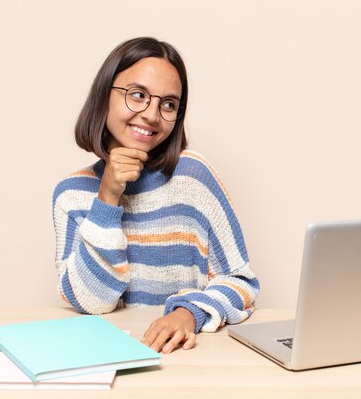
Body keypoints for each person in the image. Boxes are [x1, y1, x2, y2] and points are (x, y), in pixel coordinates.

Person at [52, 37, 260, 354]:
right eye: (138, 95)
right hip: (111, 357)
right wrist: (107, 197)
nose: (152, 115)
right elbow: (92, 303)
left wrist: (188, 313)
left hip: (188, 357)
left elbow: (242, 282)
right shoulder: (71, 194)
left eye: (168, 104)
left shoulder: (194, 177)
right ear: (104, 95)